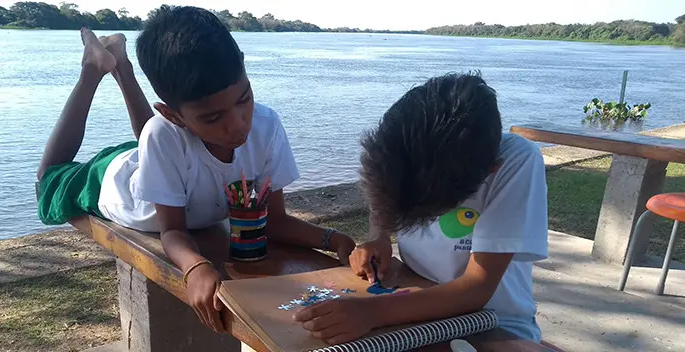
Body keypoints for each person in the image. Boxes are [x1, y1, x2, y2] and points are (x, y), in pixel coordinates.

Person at [36, 6, 356, 333]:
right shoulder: (163, 133)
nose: (238, 126)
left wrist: (333, 239)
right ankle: (93, 67)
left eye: (244, 99)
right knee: (48, 178)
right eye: (214, 118)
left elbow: (274, 220)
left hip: (163, 152)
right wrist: (196, 267)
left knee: (163, 140)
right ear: (172, 114)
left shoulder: (266, 126)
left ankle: (122, 67)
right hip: (116, 185)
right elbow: (173, 231)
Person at [292, 72, 548, 345]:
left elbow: (478, 287)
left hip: (494, 326)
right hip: (413, 303)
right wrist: (379, 236)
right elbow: (387, 190)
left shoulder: (515, 161)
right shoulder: (410, 143)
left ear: (489, 170)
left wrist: (371, 312)